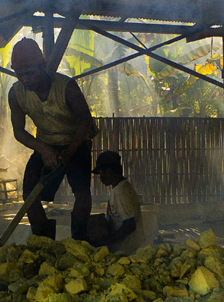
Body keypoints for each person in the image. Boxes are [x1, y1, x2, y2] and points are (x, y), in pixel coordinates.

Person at [8, 37, 98, 241]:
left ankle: (79, 241)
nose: (25, 79)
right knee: (30, 195)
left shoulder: (66, 87)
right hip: (45, 144)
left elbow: (86, 121)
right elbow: (18, 131)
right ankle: (43, 241)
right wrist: (44, 150)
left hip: (76, 142)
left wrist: (70, 152)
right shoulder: (16, 94)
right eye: (19, 74)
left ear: (42, 66)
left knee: (82, 193)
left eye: (30, 73)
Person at [91, 150, 146, 254]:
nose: (100, 178)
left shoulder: (120, 192)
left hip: (125, 250)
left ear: (108, 171)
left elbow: (129, 224)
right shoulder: (123, 187)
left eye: (100, 173)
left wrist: (109, 241)